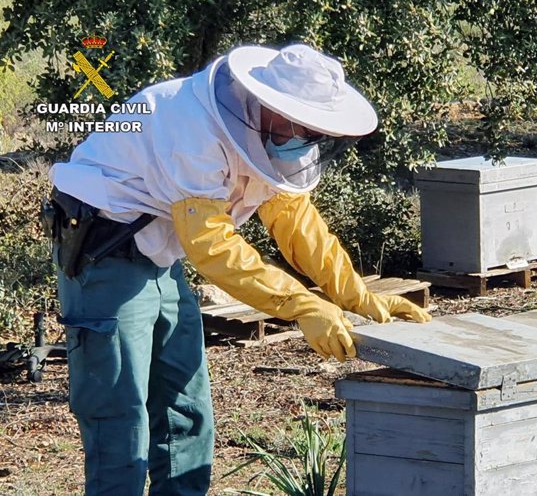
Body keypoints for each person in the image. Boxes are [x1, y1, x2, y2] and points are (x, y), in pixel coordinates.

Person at [47, 44, 431, 495]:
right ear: (269, 108)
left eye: (316, 130)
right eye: (302, 126)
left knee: (185, 407)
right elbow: (212, 246)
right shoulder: (193, 128)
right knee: (119, 416)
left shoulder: (270, 135)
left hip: (161, 253)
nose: (307, 136)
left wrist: (355, 295)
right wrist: (302, 306)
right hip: (105, 252)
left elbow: (295, 221)